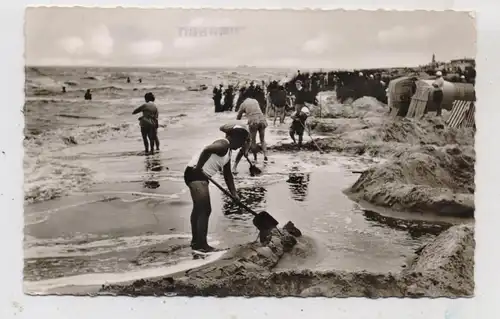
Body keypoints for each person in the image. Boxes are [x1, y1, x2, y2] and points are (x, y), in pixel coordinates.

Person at [184, 125, 249, 252]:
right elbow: (207, 149)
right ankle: (202, 245)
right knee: (205, 209)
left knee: (199, 209)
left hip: (197, 174)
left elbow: (228, 174)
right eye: (241, 142)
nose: (241, 145)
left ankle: (196, 242)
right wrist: (199, 166)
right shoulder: (223, 145)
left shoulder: (228, 151)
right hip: (196, 174)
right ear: (234, 138)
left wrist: (234, 193)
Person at [237, 96, 269, 162]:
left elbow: (238, 117)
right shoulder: (255, 100)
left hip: (253, 122)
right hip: (262, 120)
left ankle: (255, 158)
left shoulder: (243, 104)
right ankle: (265, 156)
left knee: (253, 140)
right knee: (262, 139)